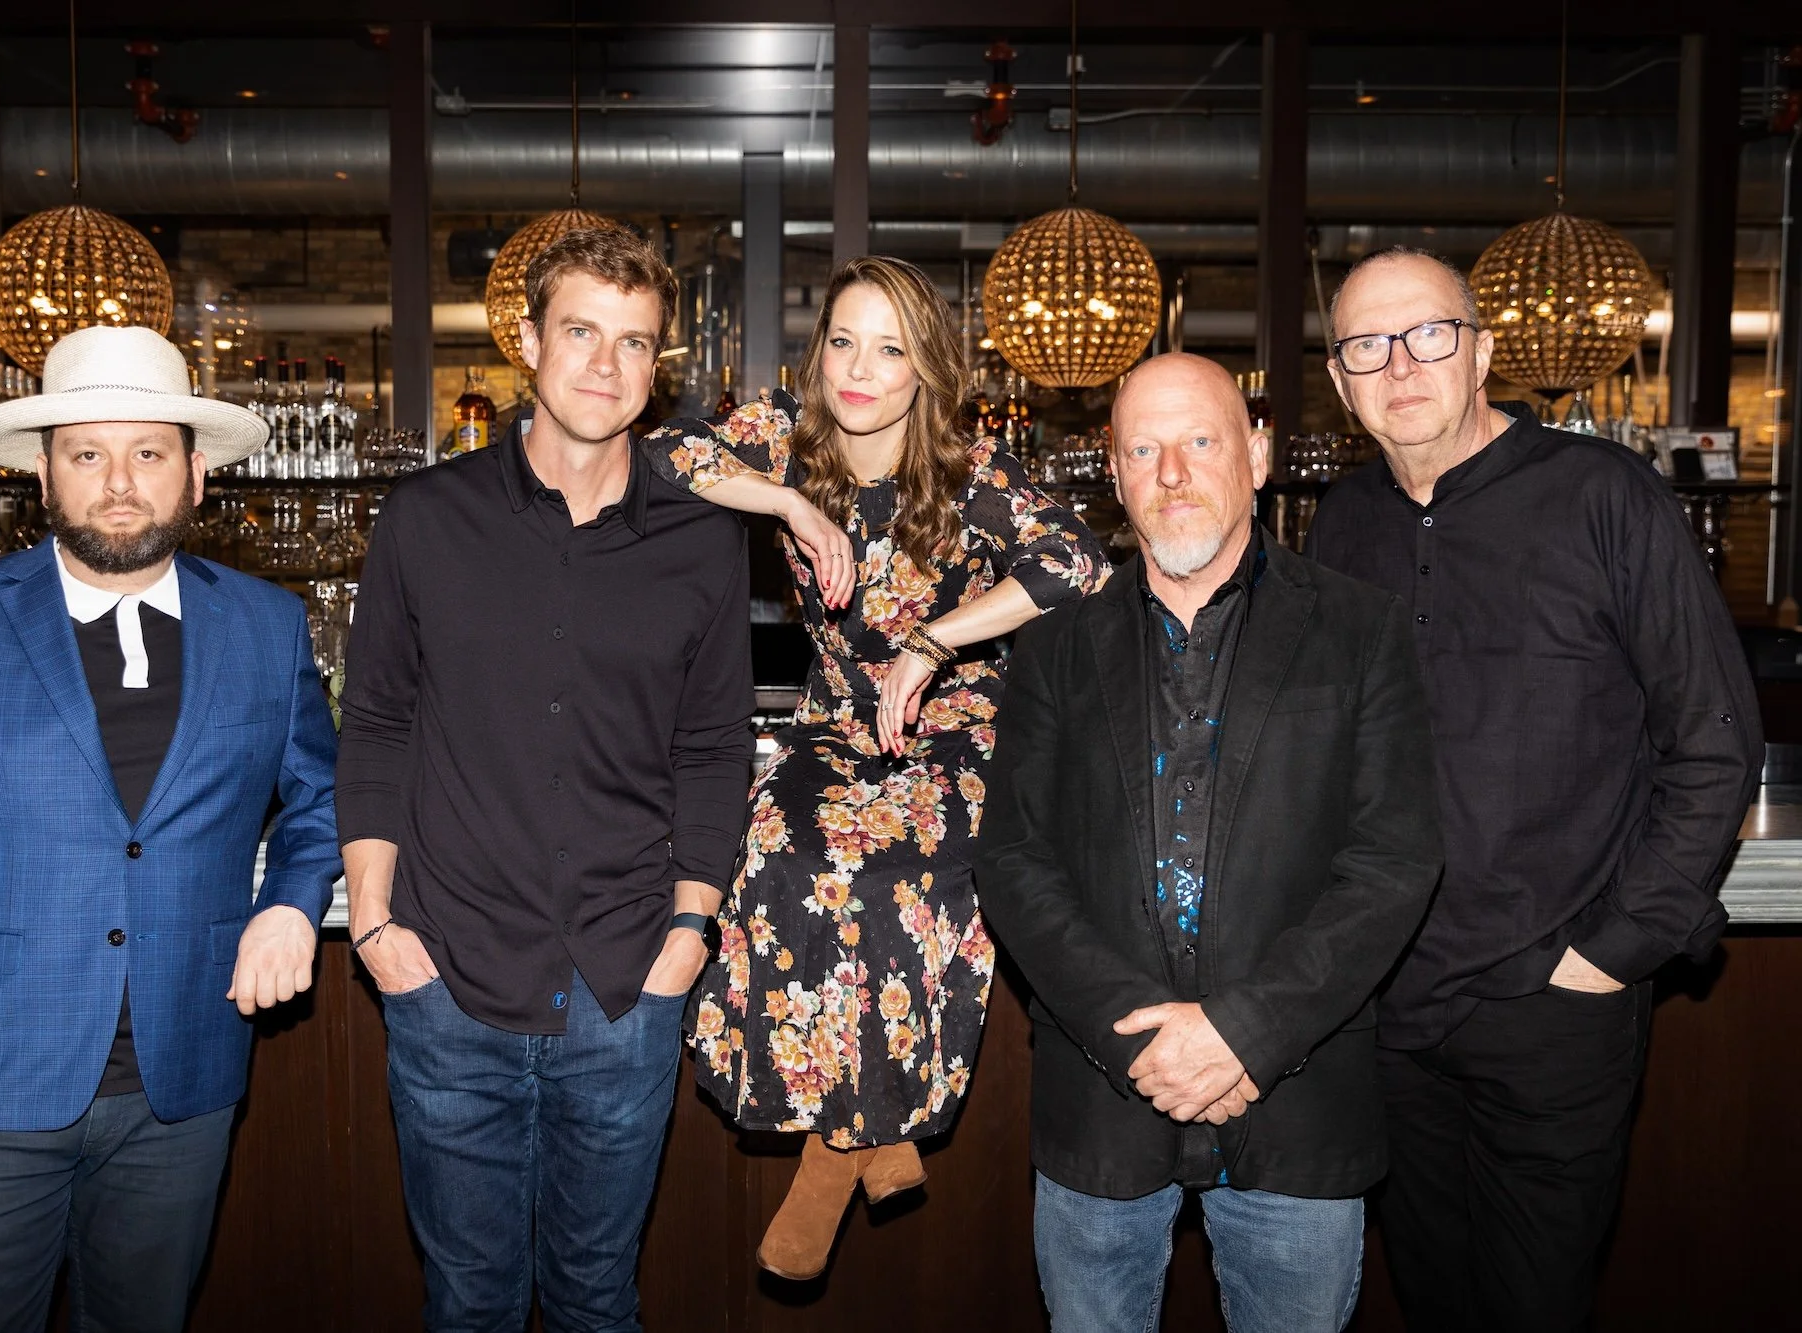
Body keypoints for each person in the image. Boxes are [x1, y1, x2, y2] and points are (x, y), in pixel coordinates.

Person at [0, 324, 341, 1333]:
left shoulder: (265, 624)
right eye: (87, 454)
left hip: (181, 1090)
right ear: (45, 477)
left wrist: (288, 900)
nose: (119, 482)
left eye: (148, 452)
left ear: (194, 475)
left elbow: (325, 797)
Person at [1306, 248, 1763, 1333]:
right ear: (1337, 380)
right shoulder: (1341, 524)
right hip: (1386, 1006)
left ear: (1482, 354)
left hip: (1550, 1003)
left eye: (1426, 335)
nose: (1399, 365)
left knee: (1531, 1307)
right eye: (1365, 346)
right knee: (1431, 1294)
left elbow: (1711, 742)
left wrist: (1607, 957)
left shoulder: (1600, 497)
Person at [644, 255, 1110, 1281]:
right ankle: (870, 1135)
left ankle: (829, 1158)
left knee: (900, 874)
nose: (859, 369)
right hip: (832, 717)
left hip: (957, 721)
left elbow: (1077, 560)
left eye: (889, 349)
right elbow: (664, 456)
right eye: (843, 342)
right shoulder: (784, 434)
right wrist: (786, 505)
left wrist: (936, 641)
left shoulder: (968, 466)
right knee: (768, 854)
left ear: (924, 371)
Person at [335, 227, 753, 1332]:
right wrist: (375, 926)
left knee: (594, 1301)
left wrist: (687, 937)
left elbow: (714, 749)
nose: (606, 366)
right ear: (525, 343)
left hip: (626, 986)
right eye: (580, 332)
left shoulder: (702, 539)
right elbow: (374, 722)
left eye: (634, 343)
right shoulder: (425, 518)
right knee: (466, 1301)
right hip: (446, 982)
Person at [976, 352, 1445, 1333]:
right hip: (1102, 1103)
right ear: (1113, 473)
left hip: (1295, 1095)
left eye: (1198, 441)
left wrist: (1241, 1029)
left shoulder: (1361, 631)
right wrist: (1139, 1037)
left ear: (1257, 453)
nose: (1171, 474)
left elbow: (1390, 861)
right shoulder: (1053, 646)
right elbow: (1015, 861)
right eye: (1142, 449)